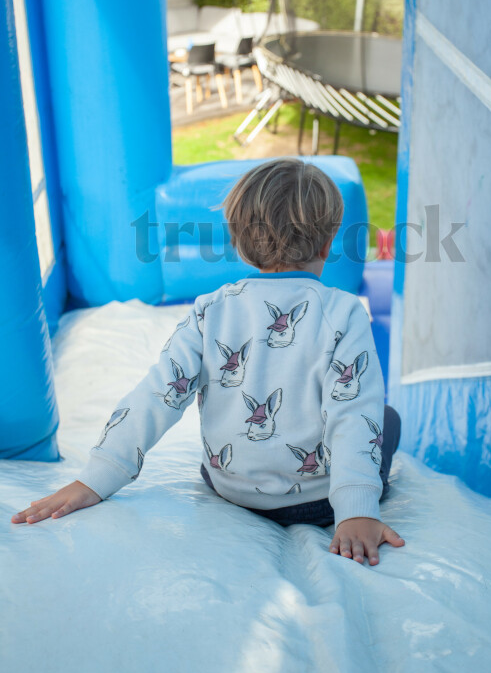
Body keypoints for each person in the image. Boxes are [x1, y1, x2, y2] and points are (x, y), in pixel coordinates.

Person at [12, 159, 404, 566]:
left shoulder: (210, 310)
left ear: (238, 240)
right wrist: (356, 512)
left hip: (231, 487)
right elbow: (354, 413)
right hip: (317, 501)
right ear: (328, 243)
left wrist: (95, 479)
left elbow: (157, 394)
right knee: (385, 417)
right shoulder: (343, 312)